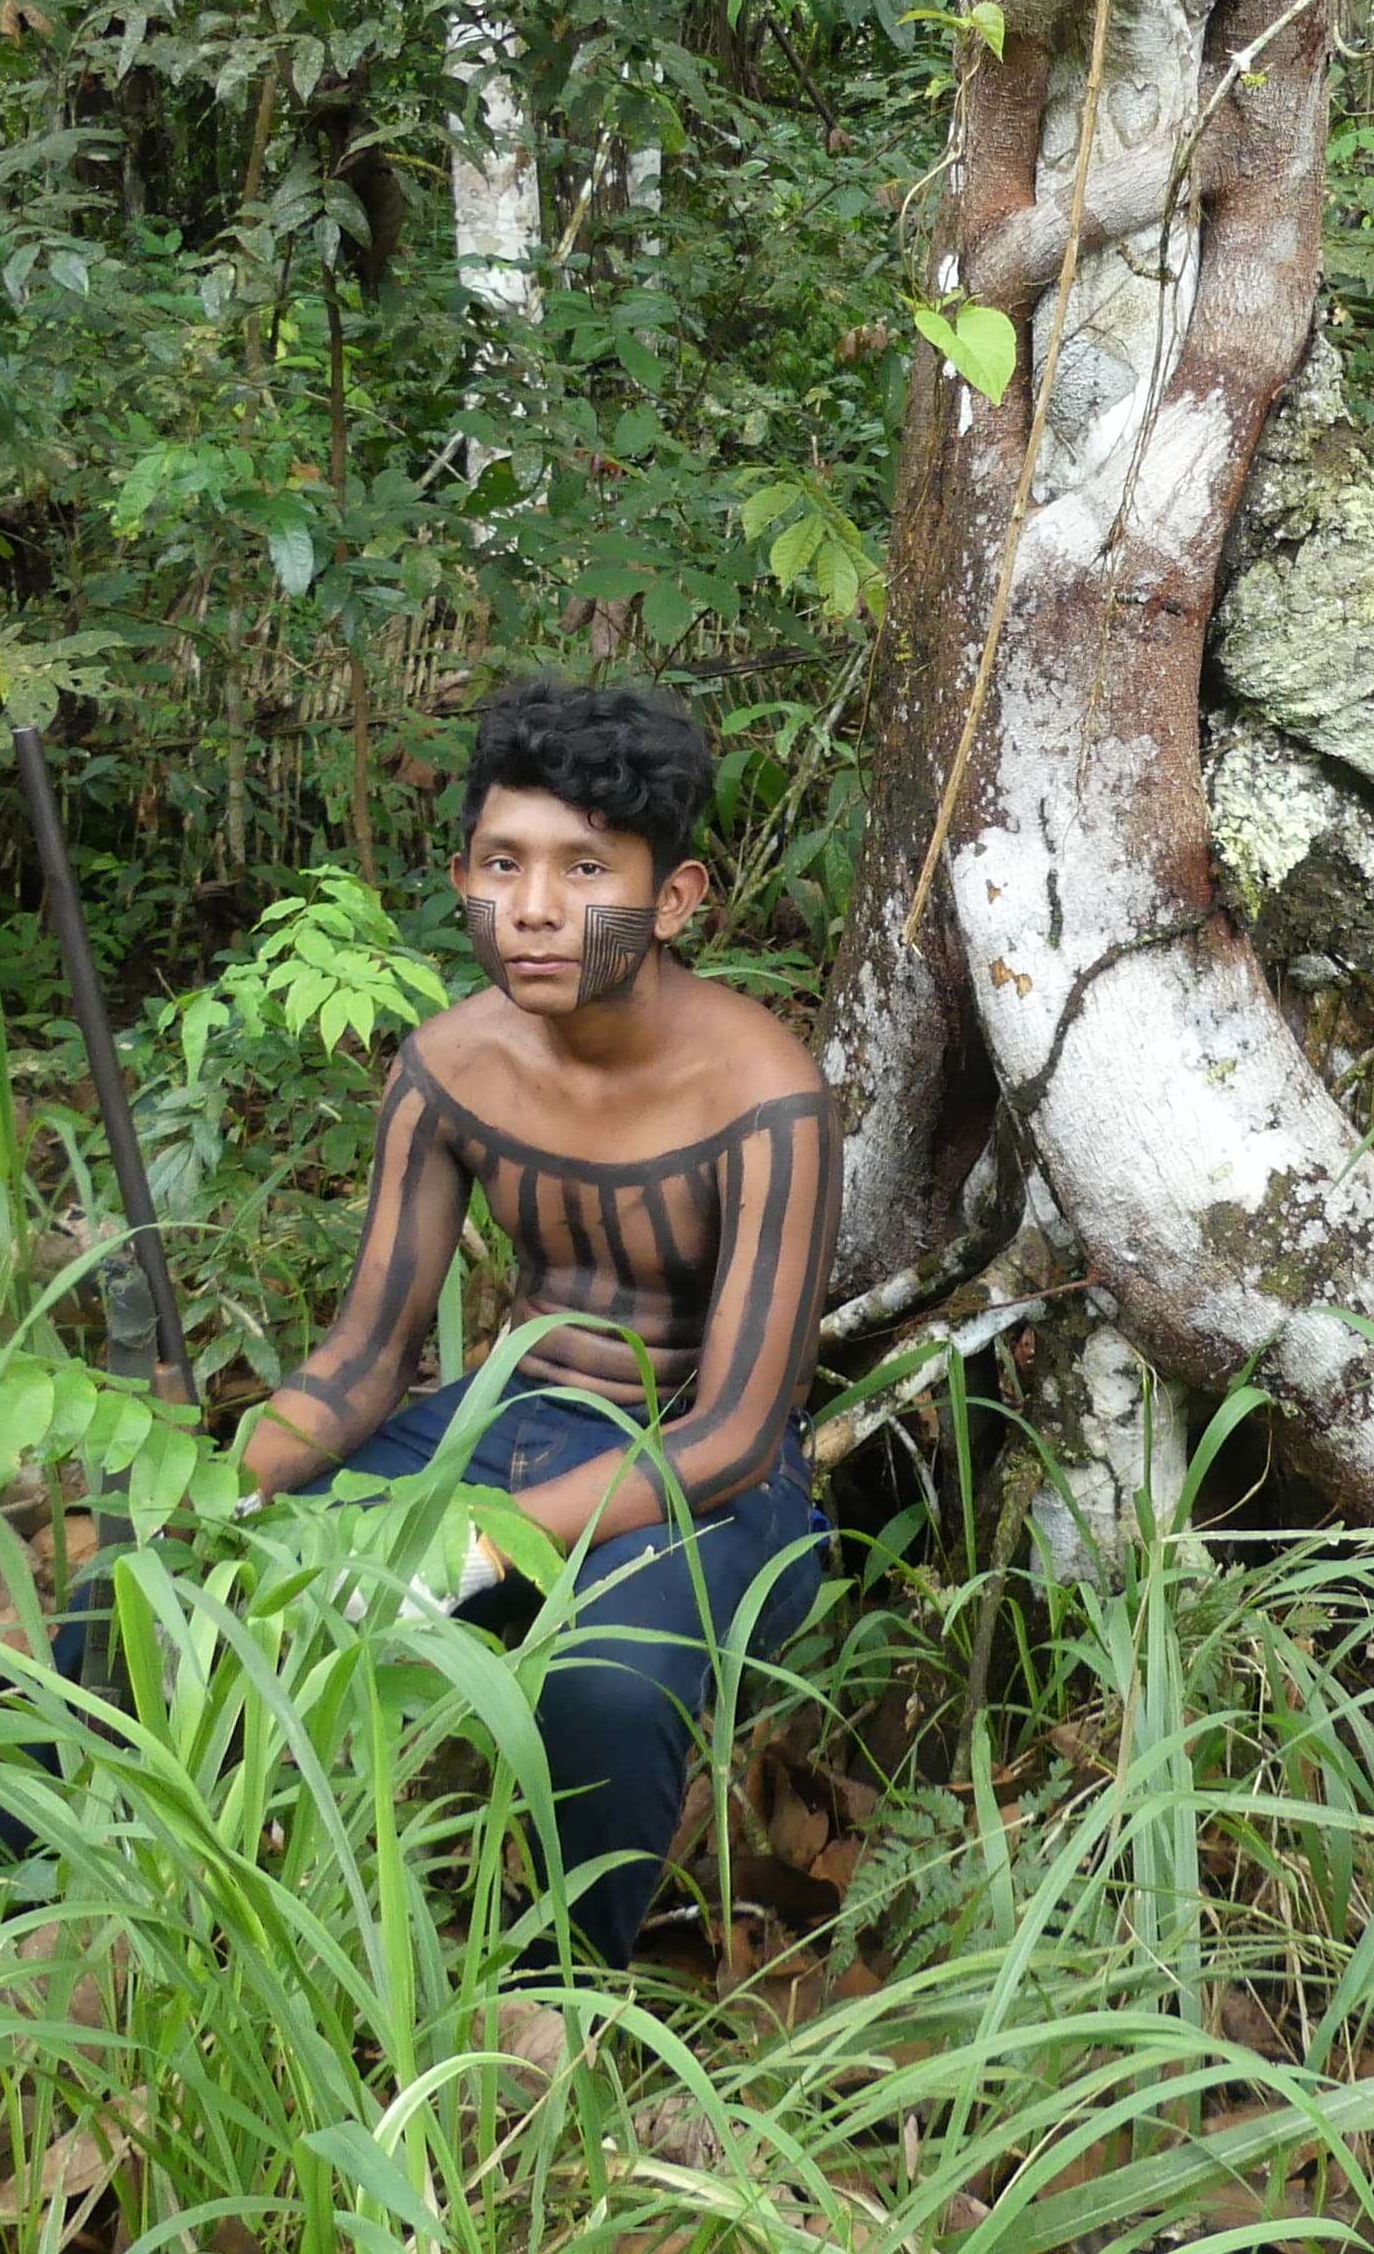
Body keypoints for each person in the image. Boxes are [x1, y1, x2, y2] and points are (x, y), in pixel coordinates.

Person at [80, 677, 838, 1968]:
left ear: (674, 899)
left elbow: (735, 1433)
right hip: (503, 1425)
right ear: (462, 876)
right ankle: (39, 1914)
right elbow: (365, 1356)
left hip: (709, 1492)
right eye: (503, 863)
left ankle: (556, 2000)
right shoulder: (449, 1065)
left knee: (604, 1691)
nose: (535, 908)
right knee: (137, 1599)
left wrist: (481, 1547)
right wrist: (221, 1484)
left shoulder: (762, 1094)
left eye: (585, 868)